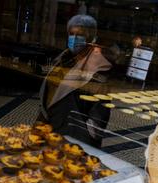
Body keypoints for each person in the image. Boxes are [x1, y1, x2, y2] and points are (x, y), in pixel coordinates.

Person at [37, 15, 113, 147]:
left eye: (80, 34)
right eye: (72, 34)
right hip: (51, 134)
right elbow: (48, 98)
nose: (75, 38)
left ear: (90, 38)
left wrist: (83, 145)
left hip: (74, 141)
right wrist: (39, 128)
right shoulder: (61, 61)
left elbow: (98, 115)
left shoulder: (99, 68)